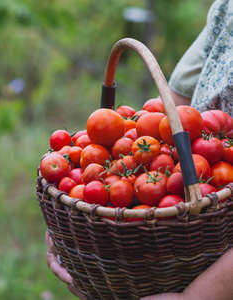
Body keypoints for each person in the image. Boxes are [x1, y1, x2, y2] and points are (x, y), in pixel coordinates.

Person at [46, 0, 233, 298]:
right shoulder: (227, 9)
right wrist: (71, 229)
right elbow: (168, 110)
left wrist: (197, 296)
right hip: (182, 225)